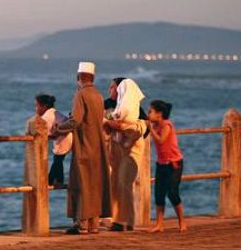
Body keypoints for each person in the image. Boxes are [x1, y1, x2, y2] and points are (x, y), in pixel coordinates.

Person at [54, 62, 106, 235]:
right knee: (94, 185)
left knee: (81, 184)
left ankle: (82, 224)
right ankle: (94, 224)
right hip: (98, 146)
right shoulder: (98, 95)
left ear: (79, 78)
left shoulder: (81, 95)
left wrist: (58, 128)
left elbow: (75, 120)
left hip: (84, 146)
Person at [103, 78, 148, 232]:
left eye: (112, 87)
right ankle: (118, 220)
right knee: (115, 183)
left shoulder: (133, 107)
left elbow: (144, 127)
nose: (109, 90)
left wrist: (123, 126)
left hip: (131, 150)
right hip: (116, 150)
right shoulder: (108, 104)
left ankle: (126, 220)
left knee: (124, 182)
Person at [147, 99, 187, 233]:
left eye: (150, 112)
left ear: (159, 114)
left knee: (172, 192)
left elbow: (161, 140)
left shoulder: (166, 125)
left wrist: (150, 128)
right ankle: (159, 224)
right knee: (159, 193)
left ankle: (182, 221)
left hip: (174, 164)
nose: (148, 114)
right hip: (161, 164)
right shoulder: (156, 126)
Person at [33, 94, 73, 186]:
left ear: (44, 106)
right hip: (66, 137)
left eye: (37, 106)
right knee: (58, 160)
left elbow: (44, 134)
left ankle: (53, 180)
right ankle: (55, 180)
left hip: (64, 139)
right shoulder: (53, 112)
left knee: (58, 160)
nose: (36, 108)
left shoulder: (46, 117)